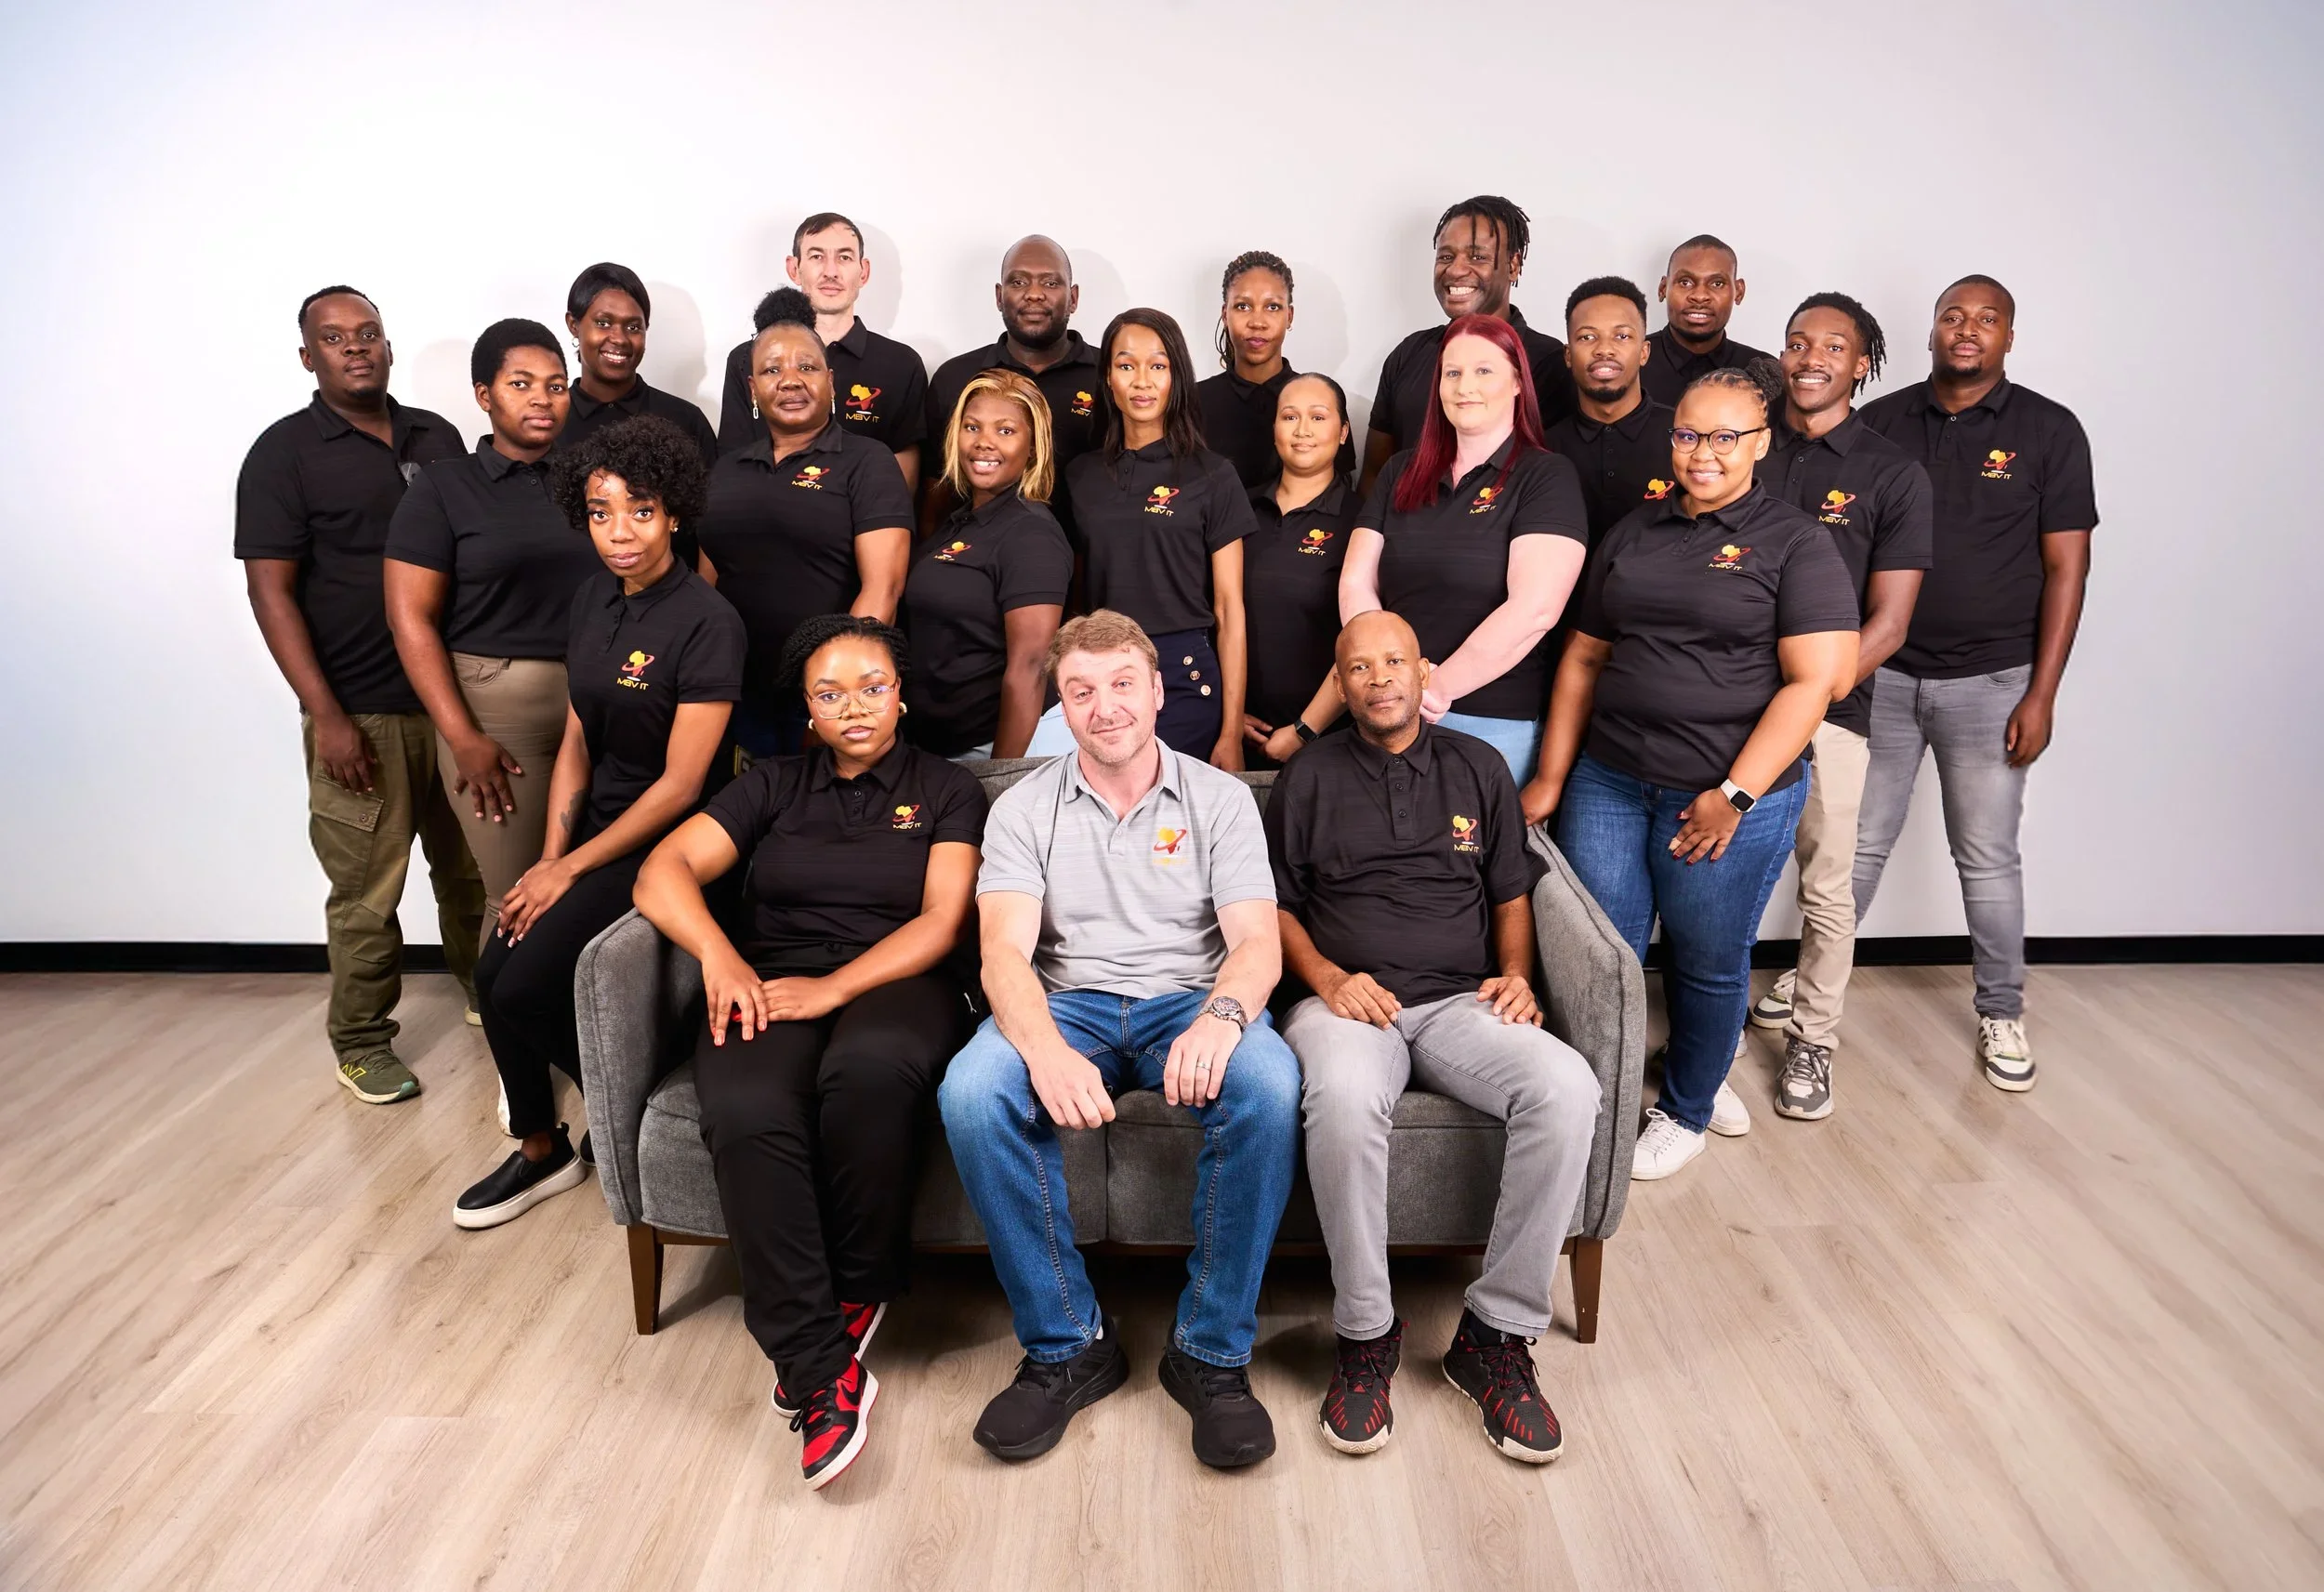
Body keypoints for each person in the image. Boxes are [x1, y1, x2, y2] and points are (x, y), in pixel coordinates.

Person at [938, 612, 1300, 1471]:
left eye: (1122, 684)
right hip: (1071, 1003)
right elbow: (1002, 953)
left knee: (1271, 1087)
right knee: (972, 1090)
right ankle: (1068, 1343)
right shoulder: (1024, 806)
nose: (1105, 707)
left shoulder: (1220, 798)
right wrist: (1044, 1048)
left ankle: (1211, 1354)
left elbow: (1257, 943)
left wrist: (1220, 1017)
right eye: (1082, 690)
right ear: (1062, 706)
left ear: (1158, 691)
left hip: (1191, 999)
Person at [633, 614, 985, 1490]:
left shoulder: (949, 788)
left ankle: (859, 1285)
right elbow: (659, 873)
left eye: (871, 686)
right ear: (807, 708)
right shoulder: (772, 785)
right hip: (771, 978)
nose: (854, 707)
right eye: (830, 694)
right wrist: (722, 957)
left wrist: (835, 990)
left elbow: (944, 920)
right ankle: (817, 1366)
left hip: (901, 980)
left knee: (866, 1072)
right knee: (747, 1111)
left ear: (901, 692)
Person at [1270, 610, 1599, 1464]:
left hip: (1459, 1003)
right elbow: (1277, 908)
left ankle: (1495, 1334)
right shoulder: (1307, 776)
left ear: (1424, 673)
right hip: (1347, 1004)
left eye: (1395, 662)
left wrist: (1517, 975)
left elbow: (1510, 892)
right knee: (1341, 1098)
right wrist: (1331, 980)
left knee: (1567, 1087)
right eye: (1360, 667)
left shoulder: (1479, 767)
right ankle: (1366, 1334)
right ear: (1340, 685)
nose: (1379, 678)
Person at [1521, 367, 1860, 1181]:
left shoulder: (1796, 542)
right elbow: (1585, 656)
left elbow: (1814, 683)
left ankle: (1687, 1109)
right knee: (1602, 952)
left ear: (1761, 442)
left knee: (1708, 958)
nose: (1701, 452)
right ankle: (1601, 1098)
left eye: (1723, 436)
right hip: (1610, 780)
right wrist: (1554, 777)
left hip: (1725, 796)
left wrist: (1734, 794)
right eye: (1687, 434)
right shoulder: (1637, 529)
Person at [454, 416, 742, 1230]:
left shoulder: (708, 622)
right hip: (593, 837)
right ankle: (543, 1149)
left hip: (668, 842)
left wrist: (570, 871)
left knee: (524, 982)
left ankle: (634, 1118)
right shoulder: (590, 598)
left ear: (675, 514)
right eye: (601, 510)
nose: (620, 531)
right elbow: (578, 735)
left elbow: (684, 783)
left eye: (639, 510)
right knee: (490, 974)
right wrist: (548, 855)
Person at [235, 285, 484, 1105]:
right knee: (369, 893)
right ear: (309, 357)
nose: (356, 347)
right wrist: (328, 716)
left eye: (369, 333)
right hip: (361, 713)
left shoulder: (437, 438)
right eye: (335, 338)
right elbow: (271, 593)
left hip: (452, 702)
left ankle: (493, 994)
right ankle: (362, 1039)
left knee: (473, 872)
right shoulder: (284, 454)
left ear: (387, 345)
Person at [1849, 276, 2096, 1092]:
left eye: (1986, 320)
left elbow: (2067, 569)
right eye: (1953, 316)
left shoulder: (2050, 431)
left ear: (2008, 338)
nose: (1967, 330)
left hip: (1994, 681)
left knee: (1987, 857)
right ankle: (1815, 984)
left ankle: (2001, 1008)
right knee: (1850, 848)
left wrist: (2042, 693)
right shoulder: (1881, 422)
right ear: (1931, 331)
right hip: (1882, 676)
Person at [1741, 295, 1932, 1120]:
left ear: (1862, 365)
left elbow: (1888, 621)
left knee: (1826, 887)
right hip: (1729, 707)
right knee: (1720, 876)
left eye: (1834, 346)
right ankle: (1712, 1030)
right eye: (1797, 341)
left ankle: (1814, 1039)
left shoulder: (1892, 472)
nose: (1810, 356)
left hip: (1831, 712)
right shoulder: (1747, 443)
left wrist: (1812, 692)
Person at [385, 320, 599, 931]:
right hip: (496, 708)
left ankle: (575, 1026)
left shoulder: (591, 482)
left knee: (584, 881)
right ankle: (502, 1025)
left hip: (595, 699)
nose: (542, 398)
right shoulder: (446, 488)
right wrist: (462, 737)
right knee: (517, 892)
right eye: (521, 383)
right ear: (485, 395)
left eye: (557, 385)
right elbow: (410, 618)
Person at [1339, 313, 1590, 782]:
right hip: (1386, 716)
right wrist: (1388, 683)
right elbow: (1356, 581)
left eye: (1484, 371)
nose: (1464, 385)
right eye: (1452, 373)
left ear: (1518, 382)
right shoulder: (1398, 472)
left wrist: (1431, 691)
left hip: (1488, 723)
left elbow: (1535, 609)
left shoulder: (1546, 478)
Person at [694, 288, 914, 765]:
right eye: (772, 369)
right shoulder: (725, 471)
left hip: (822, 706)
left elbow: (884, 588)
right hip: (730, 694)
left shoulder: (866, 461)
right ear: (752, 389)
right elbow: (706, 584)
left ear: (831, 383)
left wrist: (838, 701)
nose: (790, 380)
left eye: (807, 367)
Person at [1041, 309, 1256, 769]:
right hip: (1098, 672)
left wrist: (1231, 731)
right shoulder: (1080, 475)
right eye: (1126, 365)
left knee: (1173, 831)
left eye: (1158, 366)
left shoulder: (1213, 475)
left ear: (1177, 377)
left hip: (1183, 672)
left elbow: (1228, 609)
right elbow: (1071, 592)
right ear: (1108, 380)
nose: (1142, 381)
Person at [902, 371, 1072, 760]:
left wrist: (1002, 778)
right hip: (936, 748)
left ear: (1033, 447)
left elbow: (1031, 667)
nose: (984, 442)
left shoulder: (1032, 534)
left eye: (1006, 431)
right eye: (972, 427)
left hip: (990, 749)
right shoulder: (958, 521)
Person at [1360, 196, 1573, 497]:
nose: (1456, 270)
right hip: (1401, 538)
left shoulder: (1548, 362)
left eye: (1477, 257)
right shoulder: (1408, 354)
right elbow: (1373, 476)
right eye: (1446, 257)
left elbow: (1552, 483)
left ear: (1513, 265)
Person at [715, 213, 929, 493]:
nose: (831, 272)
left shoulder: (900, 365)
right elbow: (732, 467)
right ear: (794, 269)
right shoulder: (747, 359)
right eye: (817, 257)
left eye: (844, 257)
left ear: (863, 272)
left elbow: (900, 492)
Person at [922, 236, 1104, 534]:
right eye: (1018, 282)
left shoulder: (1109, 378)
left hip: (1089, 567)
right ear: (999, 296)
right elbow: (935, 493)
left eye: (1050, 283)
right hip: (974, 564)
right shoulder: (955, 379)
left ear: (1073, 297)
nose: (1034, 294)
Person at [1240, 373, 1359, 767]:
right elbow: (1211, 614)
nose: (1302, 430)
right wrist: (1227, 715)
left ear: (1343, 432)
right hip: (1233, 735)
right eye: (1289, 417)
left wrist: (1306, 730)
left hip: (1329, 742)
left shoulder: (1361, 520)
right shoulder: (1238, 509)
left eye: (1318, 417)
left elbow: (1363, 640)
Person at [1194, 251, 1353, 489]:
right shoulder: (1194, 401)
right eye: (1243, 306)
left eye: (1272, 307)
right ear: (1224, 314)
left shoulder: (1321, 397)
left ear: (1289, 316)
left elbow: (1340, 491)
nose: (1258, 322)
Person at [1545, 276, 1678, 539]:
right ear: (1568, 355)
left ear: (1644, 352)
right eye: (1587, 337)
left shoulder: (1685, 438)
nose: (1604, 349)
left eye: (1622, 336)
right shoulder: (1542, 448)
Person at [1640, 236, 1768, 409]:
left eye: (1717, 283)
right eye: (1685, 282)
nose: (1700, 296)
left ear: (1738, 291)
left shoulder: (1762, 372)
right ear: (1663, 288)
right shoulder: (1631, 363)